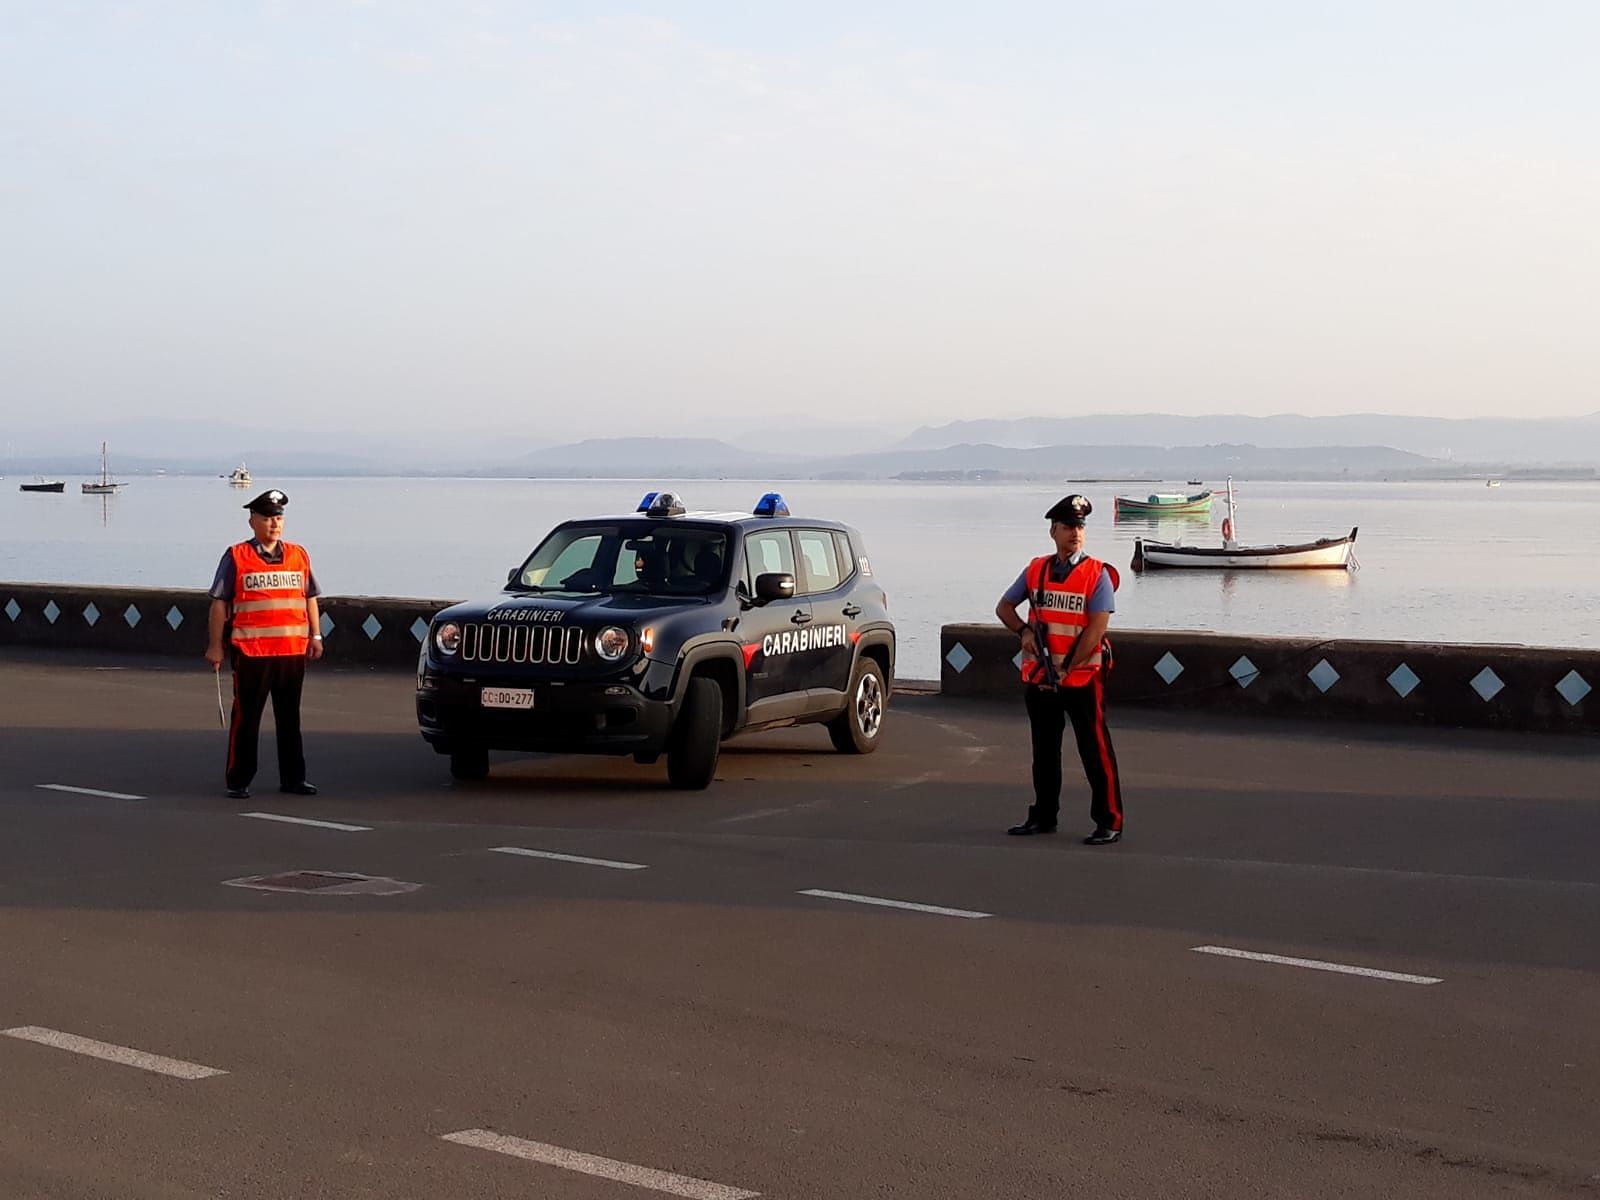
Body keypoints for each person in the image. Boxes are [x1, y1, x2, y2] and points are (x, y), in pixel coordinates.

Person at [994, 494, 1124, 844]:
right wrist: (1022, 632)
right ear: (1053, 531)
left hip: (1081, 677)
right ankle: (1043, 815)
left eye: (1080, 526)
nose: (1076, 533)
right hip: (1041, 678)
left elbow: (1097, 628)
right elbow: (1004, 607)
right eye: (1068, 526)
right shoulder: (1036, 569)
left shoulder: (1097, 575)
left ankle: (1109, 820)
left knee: (1094, 749)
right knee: (1045, 750)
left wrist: (1068, 668)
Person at [205, 489, 324, 800]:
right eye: (268, 518)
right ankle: (239, 779)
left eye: (278, 518)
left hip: (292, 651)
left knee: (290, 719)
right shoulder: (236, 556)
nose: (274, 524)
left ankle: (294, 779)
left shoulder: (299, 555)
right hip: (251, 652)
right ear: (252, 522)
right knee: (247, 719)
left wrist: (316, 635)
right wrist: (215, 646)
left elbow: (310, 597)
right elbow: (219, 603)